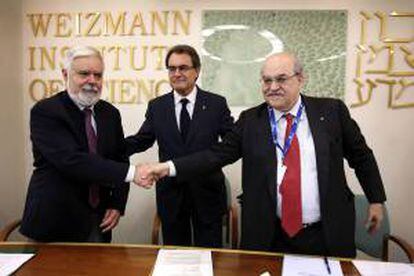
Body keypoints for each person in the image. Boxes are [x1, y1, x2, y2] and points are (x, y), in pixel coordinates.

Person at [140, 52, 387, 258]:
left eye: (281, 79)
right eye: (266, 80)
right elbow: (216, 155)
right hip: (269, 235)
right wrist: (168, 167)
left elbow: (361, 156)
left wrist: (376, 199)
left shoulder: (331, 112)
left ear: (300, 79)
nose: (272, 87)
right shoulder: (251, 121)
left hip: (325, 233)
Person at [20, 46, 144, 242]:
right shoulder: (46, 111)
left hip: (98, 218)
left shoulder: (110, 113)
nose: (92, 81)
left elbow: (120, 157)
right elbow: (72, 160)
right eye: (84, 74)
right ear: (65, 74)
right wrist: (134, 173)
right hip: (54, 219)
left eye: (98, 75)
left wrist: (117, 203)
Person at [126, 45, 234, 247]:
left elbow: (232, 143)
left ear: (197, 71)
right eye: (171, 68)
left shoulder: (216, 104)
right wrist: (109, 147)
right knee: (175, 257)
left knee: (210, 255)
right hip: (171, 196)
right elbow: (142, 139)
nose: (177, 73)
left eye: (183, 68)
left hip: (207, 194)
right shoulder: (157, 106)